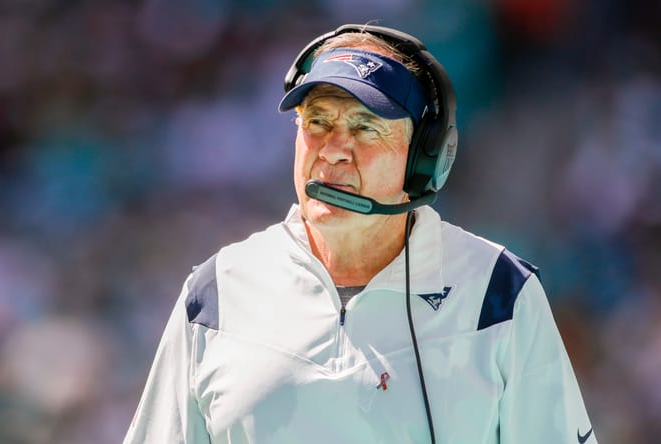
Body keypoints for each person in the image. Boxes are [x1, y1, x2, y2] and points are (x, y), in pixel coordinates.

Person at [123, 24, 596, 444]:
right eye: (318, 122)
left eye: (365, 127)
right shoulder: (215, 293)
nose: (333, 151)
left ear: (425, 158)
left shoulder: (499, 294)